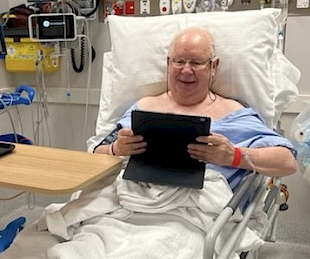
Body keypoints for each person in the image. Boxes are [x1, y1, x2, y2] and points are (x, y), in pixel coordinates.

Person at [94, 27, 297, 189]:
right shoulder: (144, 107)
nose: (186, 70)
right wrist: (116, 149)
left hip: (196, 215)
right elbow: (97, 154)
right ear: (168, 63)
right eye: (179, 61)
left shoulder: (232, 113)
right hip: (133, 204)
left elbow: (287, 162)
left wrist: (233, 156)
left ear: (213, 67)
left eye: (197, 62)